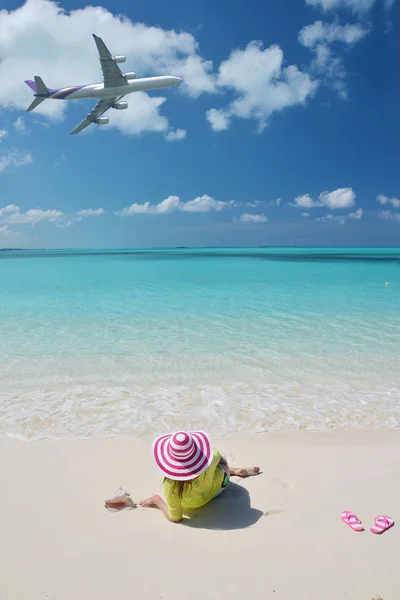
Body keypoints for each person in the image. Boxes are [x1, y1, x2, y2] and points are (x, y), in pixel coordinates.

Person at [138, 430, 260, 523]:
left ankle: (233, 471)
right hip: (222, 484)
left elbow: (175, 518)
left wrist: (156, 500)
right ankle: (233, 470)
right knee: (217, 460)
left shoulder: (170, 487)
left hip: (196, 503)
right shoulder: (211, 459)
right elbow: (213, 452)